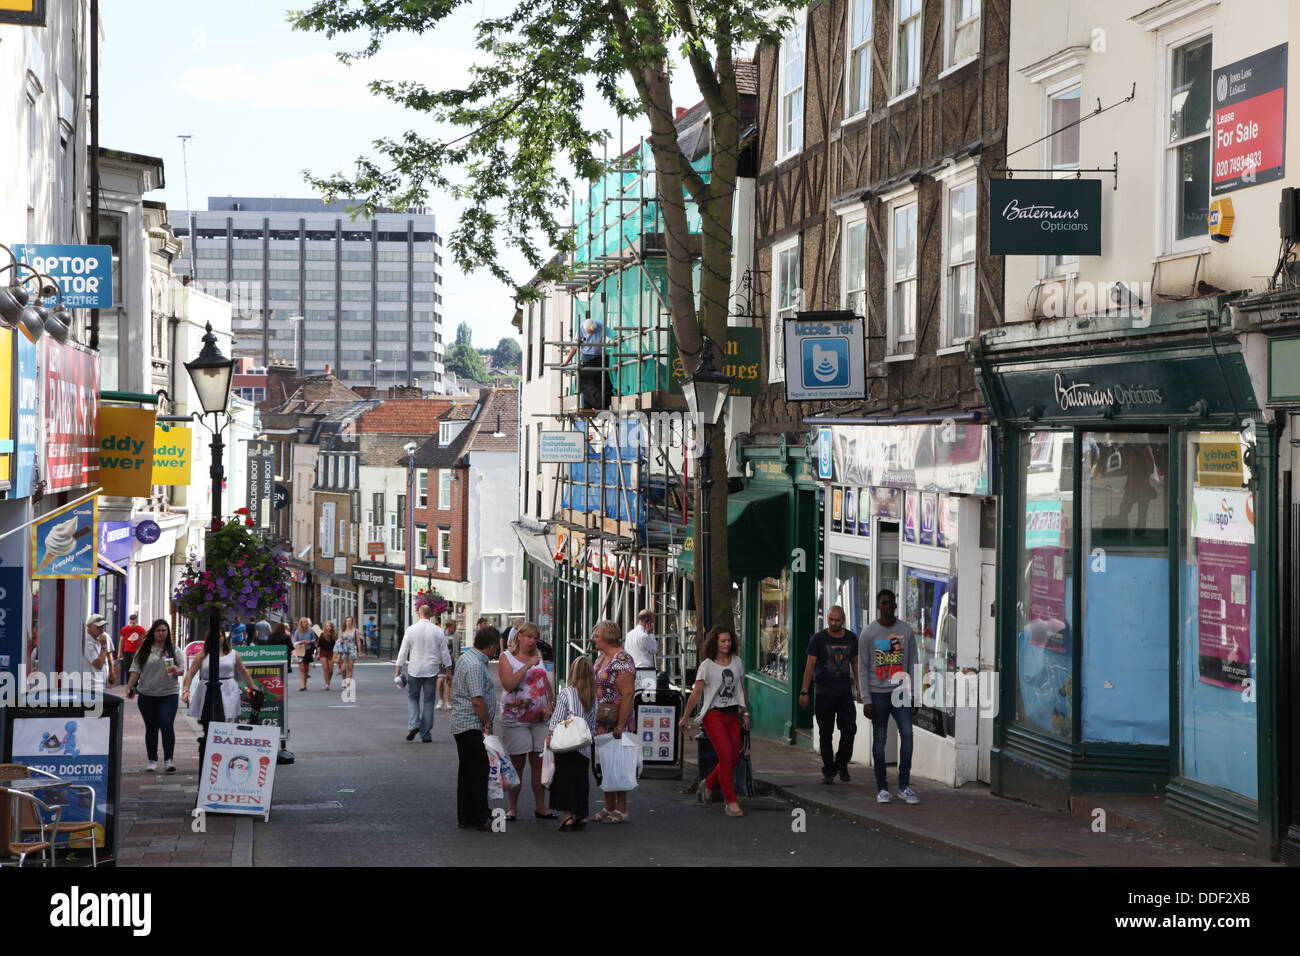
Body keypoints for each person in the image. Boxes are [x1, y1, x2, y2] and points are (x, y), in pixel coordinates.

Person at [679, 625, 749, 817]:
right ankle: (731, 802)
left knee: (733, 758)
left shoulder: (736, 662)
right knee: (726, 756)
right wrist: (686, 717)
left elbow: (740, 688)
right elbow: (696, 693)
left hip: (732, 714)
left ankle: (707, 783)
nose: (727, 644)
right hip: (714, 715)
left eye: (729, 640)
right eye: (723, 641)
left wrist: (746, 713)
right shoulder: (707, 665)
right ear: (715, 643)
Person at [860, 589, 920, 805]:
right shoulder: (868, 633)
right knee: (880, 741)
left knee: (908, 735)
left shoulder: (905, 630)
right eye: (883, 603)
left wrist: (916, 697)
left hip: (901, 692)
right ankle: (882, 787)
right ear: (878, 606)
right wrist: (866, 699)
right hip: (877, 694)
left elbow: (914, 663)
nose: (887, 606)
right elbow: (863, 668)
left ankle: (904, 785)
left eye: (891, 603)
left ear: (895, 605)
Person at [798, 605, 862, 785]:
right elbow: (809, 665)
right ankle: (828, 769)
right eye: (830, 619)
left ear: (843, 620)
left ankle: (841, 763)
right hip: (824, 692)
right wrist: (805, 691)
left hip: (844, 693)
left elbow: (855, 663)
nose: (833, 623)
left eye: (837, 620)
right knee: (826, 734)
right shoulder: (818, 639)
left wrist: (860, 688)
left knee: (849, 729)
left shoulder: (851, 638)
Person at [499, 622, 555, 820]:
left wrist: (552, 702)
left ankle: (541, 807)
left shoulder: (538, 655)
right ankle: (512, 808)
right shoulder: (507, 657)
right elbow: (509, 684)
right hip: (516, 719)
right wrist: (527, 665)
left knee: (539, 762)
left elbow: (544, 681)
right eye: (529, 637)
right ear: (519, 637)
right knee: (517, 762)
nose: (533, 641)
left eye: (535, 638)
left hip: (540, 717)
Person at [450, 626, 501, 831]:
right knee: (479, 772)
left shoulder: (467, 657)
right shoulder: (475, 666)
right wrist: (487, 723)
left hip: (462, 724)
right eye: (496, 646)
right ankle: (481, 816)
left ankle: (466, 815)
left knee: (467, 772)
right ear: (491, 646)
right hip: (471, 724)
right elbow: (477, 700)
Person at [125, 618, 185, 772]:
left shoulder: (174, 649)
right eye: (158, 631)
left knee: (166, 723)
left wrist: (178, 671)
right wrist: (130, 687)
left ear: (168, 632)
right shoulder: (144, 650)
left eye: (164, 630)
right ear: (153, 632)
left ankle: (169, 760)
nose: (161, 634)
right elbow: (135, 670)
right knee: (151, 727)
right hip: (147, 694)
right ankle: (152, 760)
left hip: (168, 693)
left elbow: (182, 669)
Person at [592, 620, 636, 823]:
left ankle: (621, 807)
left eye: (597, 635)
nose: (595, 639)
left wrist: (621, 724)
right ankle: (608, 806)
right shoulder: (601, 658)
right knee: (604, 764)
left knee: (618, 763)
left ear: (608, 637)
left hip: (617, 720)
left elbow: (627, 694)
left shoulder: (622, 659)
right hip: (601, 720)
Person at [548, 656, 597, 831]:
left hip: (566, 744)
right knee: (581, 780)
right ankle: (581, 815)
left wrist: (549, 736)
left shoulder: (566, 693)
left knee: (565, 780)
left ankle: (568, 817)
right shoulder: (592, 696)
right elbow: (592, 724)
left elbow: (557, 719)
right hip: (583, 745)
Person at [395, 604, 450, 742]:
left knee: (413, 698)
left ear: (419, 614)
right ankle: (425, 733)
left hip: (415, 669)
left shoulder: (411, 630)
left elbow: (403, 651)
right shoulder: (438, 631)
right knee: (429, 701)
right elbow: (445, 653)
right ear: (431, 615)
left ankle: (414, 723)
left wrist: (398, 671)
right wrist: (448, 671)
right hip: (431, 670)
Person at [181, 634, 261, 724]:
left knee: (226, 720)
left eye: (220, 636)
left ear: (224, 637)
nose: (217, 638)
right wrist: (186, 690)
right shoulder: (202, 655)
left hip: (228, 689)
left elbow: (243, 672)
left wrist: (252, 689)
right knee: (208, 720)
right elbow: (190, 673)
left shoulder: (233, 654)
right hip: (207, 689)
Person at [562, 316, 610, 409]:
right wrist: (566, 362)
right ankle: (586, 404)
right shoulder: (581, 328)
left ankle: (603, 404)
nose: (590, 334)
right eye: (588, 332)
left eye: (592, 332)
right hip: (586, 357)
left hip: (599, 357)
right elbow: (575, 347)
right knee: (584, 380)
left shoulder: (600, 326)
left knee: (601, 380)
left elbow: (614, 335)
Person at [83, 614, 110, 694]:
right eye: (98, 627)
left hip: (100, 683)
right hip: (92, 685)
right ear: (89, 626)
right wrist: (104, 646)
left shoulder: (98, 639)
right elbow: (98, 664)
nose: (101, 629)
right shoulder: (87, 642)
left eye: (102, 626)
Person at [119, 612, 146, 686]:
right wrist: (119, 652)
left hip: (137, 652)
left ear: (136, 622)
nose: (131, 625)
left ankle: (136, 684)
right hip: (127, 651)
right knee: (127, 668)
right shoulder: (124, 629)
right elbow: (121, 641)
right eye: (130, 623)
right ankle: (129, 684)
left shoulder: (141, 630)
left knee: (137, 668)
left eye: (133, 623)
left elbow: (144, 641)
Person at [438, 619, 458, 709]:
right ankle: (441, 699)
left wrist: (455, 656)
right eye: (454, 626)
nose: (456, 628)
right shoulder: (441, 634)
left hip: (451, 661)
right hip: (441, 660)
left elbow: (458, 647)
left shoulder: (456, 636)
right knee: (441, 679)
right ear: (449, 627)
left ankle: (448, 701)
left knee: (449, 681)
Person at [292, 617, 316, 691]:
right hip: (300, 651)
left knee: (305, 668)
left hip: (308, 650)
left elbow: (314, 639)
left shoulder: (311, 630)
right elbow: (294, 642)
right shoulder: (297, 631)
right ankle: (302, 686)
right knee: (301, 668)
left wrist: (310, 641)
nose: (305, 623)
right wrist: (302, 642)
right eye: (304, 622)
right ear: (301, 623)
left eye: (306, 622)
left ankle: (305, 684)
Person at [336, 616, 360, 687]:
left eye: (350, 621)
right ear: (345, 622)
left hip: (352, 649)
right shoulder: (342, 630)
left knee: (350, 667)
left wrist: (360, 652)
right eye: (347, 621)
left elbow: (358, 641)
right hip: (344, 649)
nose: (349, 622)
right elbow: (339, 640)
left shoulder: (355, 631)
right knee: (343, 668)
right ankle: (343, 680)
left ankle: (349, 682)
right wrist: (341, 641)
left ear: (352, 622)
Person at [317, 621, 338, 691]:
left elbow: (337, 645)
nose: (328, 627)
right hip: (323, 652)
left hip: (332, 652)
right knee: (326, 668)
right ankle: (327, 684)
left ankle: (328, 680)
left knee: (331, 670)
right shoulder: (322, 635)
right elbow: (319, 646)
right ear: (325, 627)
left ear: (332, 627)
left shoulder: (334, 635)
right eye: (327, 626)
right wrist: (318, 654)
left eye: (330, 626)